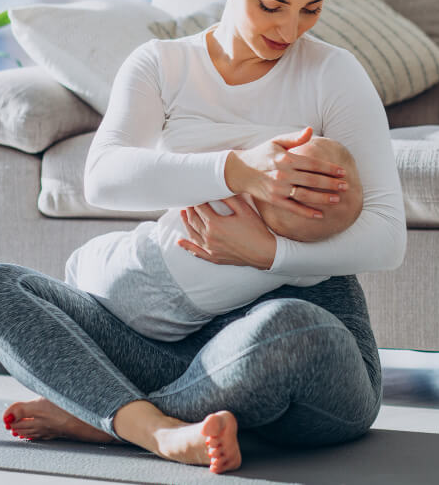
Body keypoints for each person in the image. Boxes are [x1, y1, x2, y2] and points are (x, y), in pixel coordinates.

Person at [0, 0, 406, 475]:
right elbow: (104, 176)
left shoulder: (334, 75)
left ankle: (112, 419)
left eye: (312, 8)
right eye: (270, 5)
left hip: (298, 351)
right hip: (169, 344)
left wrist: (268, 252)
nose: (290, 29)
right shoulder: (163, 65)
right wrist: (237, 169)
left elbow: (386, 236)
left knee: (290, 330)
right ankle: (164, 430)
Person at [65, 129, 365, 342]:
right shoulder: (298, 269)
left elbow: (181, 176)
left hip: (137, 263)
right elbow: (324, 269)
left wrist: (243, 164)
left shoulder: (229, 196)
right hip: (169, 327)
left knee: (78, 263)